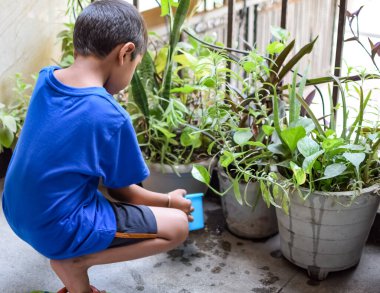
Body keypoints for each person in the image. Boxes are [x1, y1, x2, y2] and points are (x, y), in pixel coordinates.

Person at [2, 1, 193, 292]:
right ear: (126, 52)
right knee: (178, 226)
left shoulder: (47, 78)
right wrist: (169, 201)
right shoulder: (110, 115)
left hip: (15, 211)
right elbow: (123, 193)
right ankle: (75, 262)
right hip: (54, 226)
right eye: (136, 66)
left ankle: (72, 262)